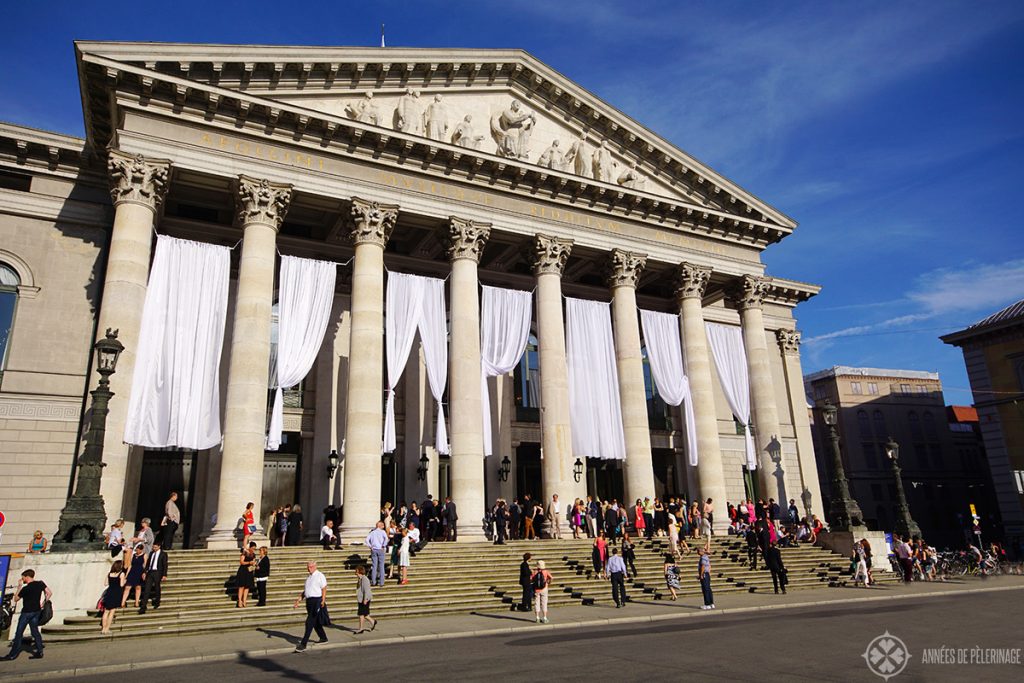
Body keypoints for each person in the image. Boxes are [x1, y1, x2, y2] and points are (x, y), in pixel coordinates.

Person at [1, 569, 51, 660]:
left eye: (23, 577)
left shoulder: (26, 588)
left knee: (19, 633)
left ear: (27, 577)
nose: (22, 579)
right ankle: (40, 651)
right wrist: (43, 603)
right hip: (36, 611)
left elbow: (16, 599)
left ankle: (12, 655)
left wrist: (19, 587)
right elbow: (49, 593)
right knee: (35, 631)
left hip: (26, 612)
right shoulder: (40, 584)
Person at [292, 561, 328, 652]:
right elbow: (306, 591)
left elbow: (324, 588)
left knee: (309, 621)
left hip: (317, 601)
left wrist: (323, 600)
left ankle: (303, 643)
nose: (309, 568)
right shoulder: (308, 578)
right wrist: (298, 600)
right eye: (308, 567)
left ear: (315, 566)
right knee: (315, 622)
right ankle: (323, 638)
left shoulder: (320, 575)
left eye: (311, 567)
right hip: (309, 601)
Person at [138, 540, 168, 614]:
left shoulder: (163, 554)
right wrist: (145, 572)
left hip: (158, 572)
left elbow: (165, 565)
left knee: (157, 588)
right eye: (153, 547)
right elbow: (148, 564)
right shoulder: (151, 553)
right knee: (147, 589)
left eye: (155, 547)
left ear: (159, 547)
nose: (153, 548)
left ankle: (157, 602)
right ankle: (143, 607)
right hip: (150, 572)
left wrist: (164, 575)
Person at [101, 559, 127, 634]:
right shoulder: (121, 574)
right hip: (116, 593)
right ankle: (107, 628)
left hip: (109, 592)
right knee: (112, 612)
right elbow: (121, 585)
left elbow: (105, 583)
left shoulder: (109, 573)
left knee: (106, 611)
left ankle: (103, 628)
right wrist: (125, 581)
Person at [354, 565, 378, 633]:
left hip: (364, 599)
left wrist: (365, 599)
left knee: (362, 614)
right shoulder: (360, 579)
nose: (356, 574)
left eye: (357, 572)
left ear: (360, 572)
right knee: (364, 614)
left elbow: (366, 590)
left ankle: (362, 628)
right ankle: (372, 622)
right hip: (361, 599)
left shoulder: (365, 579)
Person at [365, 521, 389, 586]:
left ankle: (373, 581)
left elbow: (366, 540)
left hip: (374, 549)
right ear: (380, 526)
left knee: (374, 566)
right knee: (381, 566)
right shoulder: (383, 532)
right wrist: (383, 546)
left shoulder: (372, 532)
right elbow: (386, 539)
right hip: (380, 549)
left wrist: (370, 546)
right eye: (383, 525)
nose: (383, 527)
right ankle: (381, 582)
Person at [236, 542, 256, 608]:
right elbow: (241, 562)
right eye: (252, 548)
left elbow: (254, 561)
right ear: (249, 547)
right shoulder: (245, 553)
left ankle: (244, 600)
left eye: (254, 548)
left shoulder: (253, 554)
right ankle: (239, 601)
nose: (253, 550)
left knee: (247, 586)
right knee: (241, 586)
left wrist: (254, 564)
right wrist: (249, 562)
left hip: (249, 571)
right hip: (243, 570)